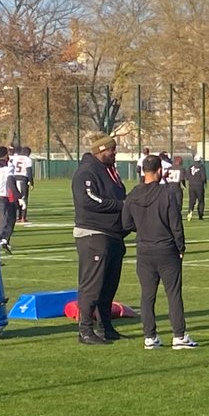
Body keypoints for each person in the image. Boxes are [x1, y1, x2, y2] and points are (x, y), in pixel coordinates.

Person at [122, 154, 198, 349]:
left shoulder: (133, 194)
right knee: (173, 294)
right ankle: (179, 335)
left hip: (144, 250)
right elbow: (176, 224)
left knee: (147, 295)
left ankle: (150, 336)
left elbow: (126, 223)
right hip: (166, 249)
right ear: (160, 171)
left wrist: (143, 227)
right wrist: (181, 247)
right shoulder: (167, 193)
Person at [71, 133, 129, 345]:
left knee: (108, 285)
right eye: (112, 150)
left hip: (113, 234)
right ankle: (85, 329)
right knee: (92, 285)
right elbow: (89, 200)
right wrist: (121, 205)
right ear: (102, 150)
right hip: (94, 233)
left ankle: (105, 327)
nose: (115, 153)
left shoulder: (109, 170)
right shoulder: (87, 171)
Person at [11, 145, 34, 223]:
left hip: (15, 178)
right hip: (23, 179)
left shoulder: (15, 158)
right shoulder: (28, 159)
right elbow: (29, 171)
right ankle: (23, 217)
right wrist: (31, 182)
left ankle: (18, 216)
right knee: (24, 198)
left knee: (17, 198)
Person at [186, 155, 207, 221]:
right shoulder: (201, 167)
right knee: (201, 201)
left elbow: (187, 176)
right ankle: (200, 215)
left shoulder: (190, 167)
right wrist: (204, 183)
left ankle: (190, 211)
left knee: (191, 201)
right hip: (199, 186)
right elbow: (203, 177)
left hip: (191, 186)